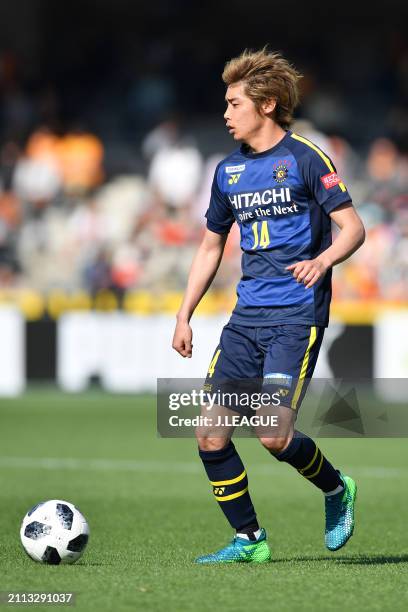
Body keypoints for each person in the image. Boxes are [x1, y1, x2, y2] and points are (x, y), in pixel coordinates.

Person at [172, 48, 365, 564]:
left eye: (235, 103)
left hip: (294, 317)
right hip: (244, 321)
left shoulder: (306, 158)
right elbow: (211, 245)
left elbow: (353, 228)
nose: (226, 113)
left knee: (273, 436)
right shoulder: (227, 172)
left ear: (267, 105)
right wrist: (184, 314)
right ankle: (249, 541)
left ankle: (335, 488)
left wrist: (322, 262)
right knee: (210, 433)